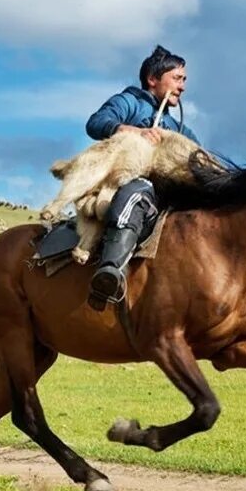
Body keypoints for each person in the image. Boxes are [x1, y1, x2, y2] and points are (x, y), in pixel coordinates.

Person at [84, 45, 201, 309]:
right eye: (177, 78)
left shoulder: (179, 128)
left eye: (184, 80)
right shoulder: (130, 102)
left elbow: (199, 156)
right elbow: (96, 122)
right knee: (137, 193)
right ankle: (109, 272)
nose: (182, 87)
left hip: (168, 191)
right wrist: (133, 131)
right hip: (128, 178)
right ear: (153, 79)